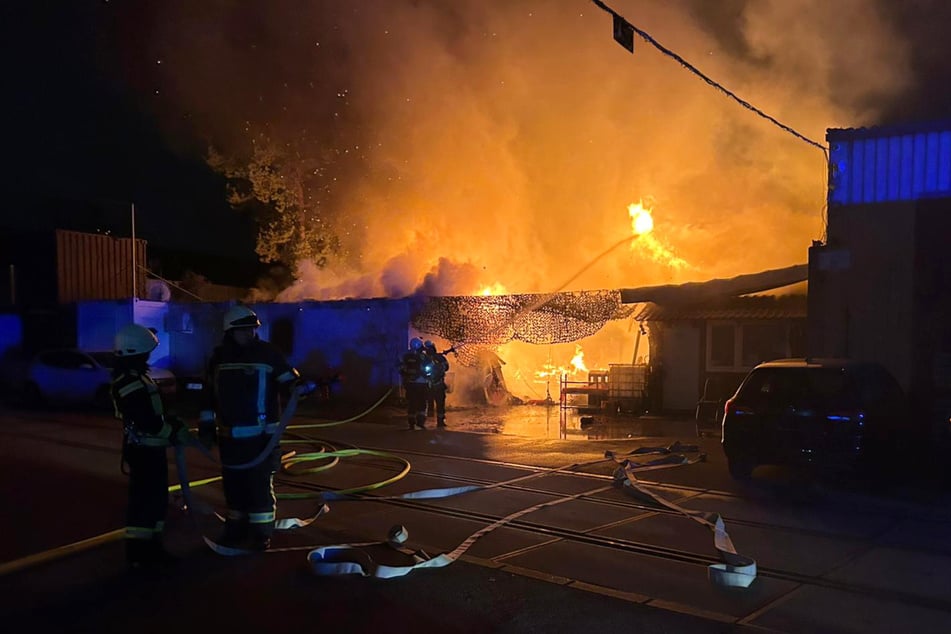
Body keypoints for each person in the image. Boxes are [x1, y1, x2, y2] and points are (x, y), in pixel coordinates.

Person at [198, 305, 300, 551]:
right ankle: (235, 529)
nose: (249, 334)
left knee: (259, 487)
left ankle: (261, 534)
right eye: (243, 330)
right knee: (234, 487)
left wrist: (301, 388)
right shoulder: (219, 358)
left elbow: (290, 381)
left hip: (261, 439)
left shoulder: (268, 354)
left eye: (252, 329)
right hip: (229, 438)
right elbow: (208, 396)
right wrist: (206, 428)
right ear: (229, 332)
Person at [111, 323, 190, 569]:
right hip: (144, 452)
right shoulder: (130, 382)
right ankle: (141, 554)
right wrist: (172, 433)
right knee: (146, 504)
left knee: (154, 501)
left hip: (148, 450)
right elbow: (146, 420)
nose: (149, 356)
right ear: (138, 352)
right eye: (147, 352)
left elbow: (155, 412)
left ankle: (152, 549)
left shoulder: (136, 378)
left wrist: (173, 423)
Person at [399, 337, 430, 430]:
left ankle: (411, 423)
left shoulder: (405, 356)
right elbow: (429, 368)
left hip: (410, 384)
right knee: (422, 403)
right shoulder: (423, 357)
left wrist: (406, 377)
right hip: (422, 383)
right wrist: (428, 376)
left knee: (412, 403)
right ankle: (420, 423)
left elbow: (400, 368)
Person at [423, 340, 450, 427]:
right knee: (440, 403)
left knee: (428, 402)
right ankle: (440, 421)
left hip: (428, 385)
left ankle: (426, 420)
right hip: (437, 385)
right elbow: (447, 367)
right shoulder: (439, 358)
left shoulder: (424, 358)